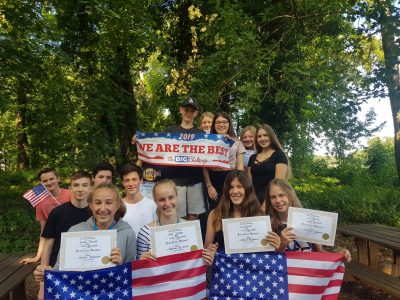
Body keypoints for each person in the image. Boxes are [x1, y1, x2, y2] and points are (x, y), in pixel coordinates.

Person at [34, 183, 137, 282]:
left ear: (117, 205)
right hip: (80, 293)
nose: (102, 208)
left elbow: (132, 274)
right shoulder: (74, 232)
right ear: (91, 205)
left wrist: (120, 265)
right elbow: (60, 268)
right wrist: (47, 273)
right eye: (97, 202)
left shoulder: (127, 233)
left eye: (109, 203)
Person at [36, 171, 92, 300]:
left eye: (84, 185)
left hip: (88, 271)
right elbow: (48, 245)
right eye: (76, 185)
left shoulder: (96, 213)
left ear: (90, 187)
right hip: (59, 269)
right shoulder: (57, 213)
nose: (80, 189)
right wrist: (43, 282)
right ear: (70, 187)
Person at [265, 178, 351, 261]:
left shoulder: (308, 220)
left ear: (290, 195)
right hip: (284, 274)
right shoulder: (268, 226)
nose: (278, 200)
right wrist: (282, 244)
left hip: (307, 272)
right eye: (273, 197)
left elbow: (319, 251)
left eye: (281, 195)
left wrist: (340, 254)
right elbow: (266, 259)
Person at [136, 179, 216, 265]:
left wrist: (207, 259)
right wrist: (141, 262)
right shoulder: (145, 232)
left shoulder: (192, 229)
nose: (167, 203)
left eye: (171, 197)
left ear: (177, 197)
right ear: (155, 201)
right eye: (162, 199)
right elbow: (140, 272)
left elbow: (198, 265)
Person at [205, 170, 281, 252]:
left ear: (247, 189)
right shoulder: (215, 214)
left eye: (239, 186)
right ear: (226, 190)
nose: (235, 191)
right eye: (231, 187)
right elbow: (206, 250)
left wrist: (276, 246)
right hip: (223, 264)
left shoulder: (260, 216)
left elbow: (268, 252)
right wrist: (209, 251)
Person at [20, 167, 72, 264]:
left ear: (58, 179)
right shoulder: (40, 202)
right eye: (45, 181)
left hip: (72, 238)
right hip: (53, 242)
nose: (49, 183)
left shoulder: (70, 195)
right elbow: (44, 231)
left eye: (51, 179)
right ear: (41, 183)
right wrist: (37, 257)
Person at [165, 97, 206, 221]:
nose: (189, 113)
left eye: (192, 111)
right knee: (179, 215)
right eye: (186, 110)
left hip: (195, 180)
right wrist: (140, 141)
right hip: (176, 180)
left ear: (196, 114)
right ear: (181, 110)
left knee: (194, 216)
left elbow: (207, 156)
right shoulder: (170, 130)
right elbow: (158, 149)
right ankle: (180, 240)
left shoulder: (201, 133)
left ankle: (194, 241)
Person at [203, 112, 246, 211]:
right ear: (214, 125)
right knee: (216, 211)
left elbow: (240, 167)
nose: (221, 125)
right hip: (213, 179)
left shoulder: (237, 142)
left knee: (232, 209)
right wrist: (209, 186)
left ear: (229, 124)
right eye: (218, 122)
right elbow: (204, 166)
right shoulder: (207, 142)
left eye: (224, 122)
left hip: (231, 178)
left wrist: (238, 185)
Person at [248, 124, 290, 203]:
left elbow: (278, 184)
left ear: (271, 136)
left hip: (272, 199)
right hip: (253, 200)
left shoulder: (279, 155)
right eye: (259, 136)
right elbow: (249, 184)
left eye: (265, 135)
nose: (262, 138)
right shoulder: (252, 157)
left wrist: (265, 204)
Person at [120, 163, 157, 236]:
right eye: (127, 180)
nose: (130, 184)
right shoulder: (117, 206)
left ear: (141, 181)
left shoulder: (152, 205)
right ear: (123, 183)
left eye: (134, 179)